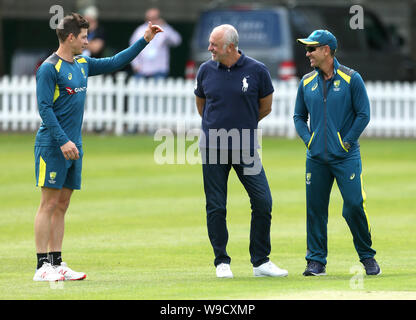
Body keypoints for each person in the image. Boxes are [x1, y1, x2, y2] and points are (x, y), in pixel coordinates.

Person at [33, 13, 163, 281]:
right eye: (83, 37)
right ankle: (41, 267)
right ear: (70, 38)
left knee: (63, 204)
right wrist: (63, 140)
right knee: (48, 204)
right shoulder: (49, 68)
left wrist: (145, 40)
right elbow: (44, 109)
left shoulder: (82, 63)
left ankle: (56, 263)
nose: (87, 41)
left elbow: (116, 61)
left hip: (74, 146)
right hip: (53, 145)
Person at [194, 24, 288, 278]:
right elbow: (202, 105)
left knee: (263, 201)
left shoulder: (257, 70)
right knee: (216, 206)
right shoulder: (205, 70)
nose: (210, 48)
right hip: (212, 147)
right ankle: (221, 262)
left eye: (214, 44)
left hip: (245, 147)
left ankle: (260, 262)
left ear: (230, 47)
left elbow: (265, 107)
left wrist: (241, 126)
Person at [293, 30, 381, 276]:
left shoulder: (352, 79)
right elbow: (299, 116)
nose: (307, 53)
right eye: (307, 49)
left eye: (312, 48)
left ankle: (367, 257)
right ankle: (316, 262)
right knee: (315, 210)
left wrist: (345, 143)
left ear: (327, 50)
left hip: (346, 157)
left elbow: (364, 114)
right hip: (316, 159)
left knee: (353, 205)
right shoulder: (306, 82)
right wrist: (310, 141)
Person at [129, 7, 181, 79]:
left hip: (159, 70)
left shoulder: (164, 29)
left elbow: (177, 41)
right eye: (150, 18)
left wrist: (165, 26)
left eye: (154, 18)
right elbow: (132, 48)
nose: (152, 20)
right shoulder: (139, 31)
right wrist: (135, 65)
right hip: (142, 70)